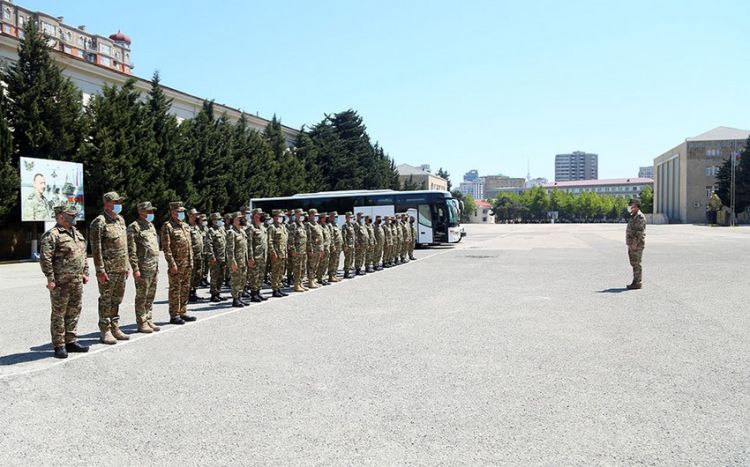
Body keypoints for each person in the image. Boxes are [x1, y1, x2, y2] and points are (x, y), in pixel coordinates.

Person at [40, 205, 89, 359]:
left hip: (76, 281)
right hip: (61, 283)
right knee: (59, 314)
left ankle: (71, 341)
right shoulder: (52, 235)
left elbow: (83, 254)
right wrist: (50, 278)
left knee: (74, 311)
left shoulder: (76, 233)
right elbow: (45, 259)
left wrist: (85, 272)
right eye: (71, 215)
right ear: (61, 216)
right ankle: (59, 345)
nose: (74, 217)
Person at [90, 191, 130, 345]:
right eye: (115, 202)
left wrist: (126, 266)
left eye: (119, 202)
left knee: (117, 300)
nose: (119, 205)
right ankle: (105, 330)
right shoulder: (99, 222)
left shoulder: (120, 220)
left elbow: (124, 245)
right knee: (106, 300)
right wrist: (100, 270)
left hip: (120, 269)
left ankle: (115, 326)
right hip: (108, 270)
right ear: (107, 203)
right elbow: (96, 249)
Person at [126, 201, 160, 333]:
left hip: (153, 267)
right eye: (149, 211)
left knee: (150, 295)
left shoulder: (151, 226)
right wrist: (135, 268)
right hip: (143, 268)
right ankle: (141, 322)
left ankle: (148, 319)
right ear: (141, 212)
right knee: (142, 296)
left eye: (152, 211)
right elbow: (132, 250)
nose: (152, 213)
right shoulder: (134, 227)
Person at [161, 201, 198, 323]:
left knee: (185, 288)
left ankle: (183, 311)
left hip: (187, 263)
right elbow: (166, 248)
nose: (181, 213)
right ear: (172, 212)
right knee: (175, 289)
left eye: (182, 211)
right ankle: (174, 314)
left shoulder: (185, 226)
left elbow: (189, 246)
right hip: (176, 264)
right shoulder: (168, 226)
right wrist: (172, 264)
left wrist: (191, 261)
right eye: (179, 211)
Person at [225, 211, 251, 307]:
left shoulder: (242, 231)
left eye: (241, 218)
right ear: (234, 220)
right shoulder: (231, 233)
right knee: (236, 280)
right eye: (238, 218)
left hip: (243, 261)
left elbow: (245, 248)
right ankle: (235, 299)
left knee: (242, 280)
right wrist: (232, 262)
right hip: (236, 261)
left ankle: (240, 297)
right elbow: (229, 250)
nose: (241, 219)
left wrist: (248, 259)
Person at [246, 208, 269, 302]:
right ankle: (253, 294)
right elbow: (249, 244)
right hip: (255, 256)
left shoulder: (263, 228)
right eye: (259, 214)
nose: (261, 216)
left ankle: (258, 292)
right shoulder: (251, 228)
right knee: (254, 276)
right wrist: (250, 258)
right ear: (255, 216)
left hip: (263, 256)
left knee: (260, 275)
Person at [206, 212, 229, 302]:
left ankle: (218, 292)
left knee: (221, 276)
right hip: (216, 258)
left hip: (223, 257)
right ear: (213, 221)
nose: (220, 221)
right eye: (217, 219)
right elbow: (209, 245)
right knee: (214, 276)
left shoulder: (222, 229)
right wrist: (212, 257)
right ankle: (213, 294)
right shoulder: (210, 231)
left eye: (220, 219)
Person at [626, 198, 646, 290]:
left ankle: (638, 282)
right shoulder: (633, 216)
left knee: (637, 263)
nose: (630, 207)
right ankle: (635, 281)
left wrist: (634, 244)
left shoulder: (640, 217)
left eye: (632, 205)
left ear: (637, 206)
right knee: (633, 263)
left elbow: (639, 232)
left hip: (637, 245)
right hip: (632, 244)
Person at [268, 209, 289, 297]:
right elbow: (270, 241)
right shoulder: (272, 227)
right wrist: (273, 253)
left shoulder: (282, 227)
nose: (281, 218)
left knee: (281, 272)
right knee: (275, 272)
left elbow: (285, 241)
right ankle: (274, 289)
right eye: (279, 216)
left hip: (283, 253)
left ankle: (279, 288)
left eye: (281, 217)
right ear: (274, 217)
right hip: (276, 254)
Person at [187, 208, 206, 303]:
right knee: (191, 275)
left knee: (198, 275)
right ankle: (189, 293)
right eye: (195, 215)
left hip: (200, 255)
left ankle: (194, 291)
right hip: (192, 256)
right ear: (190, 216)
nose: (197, 216)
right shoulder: (187, 228)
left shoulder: (198, 227)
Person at [289, 208, 308, 292]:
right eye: (300, 214)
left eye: (302, 215)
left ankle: (300, 283)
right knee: (297, 268)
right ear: (296, 215)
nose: (302, 216)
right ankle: (296, 285)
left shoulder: (302, 224)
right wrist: (293, 250)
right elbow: (291, 239)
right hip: (297, 251)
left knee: (303, 268)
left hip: (303, 250)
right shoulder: (294, 225)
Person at [305, 208, 324, 289]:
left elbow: (321, 237)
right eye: (314, 215)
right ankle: (310, 281)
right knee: (311, 265)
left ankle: (313, 279)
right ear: (310, 215)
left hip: (318, 248)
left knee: (316, 265)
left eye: (316, 215)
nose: (315, 217)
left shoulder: (317, 224)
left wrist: (322, 248)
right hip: (313, 249)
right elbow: (308, 238)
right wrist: (310, 249)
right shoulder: (308, 224)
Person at [327, 211, 342, 283]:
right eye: (335, 217)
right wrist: (332, 246)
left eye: (337, 217)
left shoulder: (336, 225)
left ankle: (334, 275)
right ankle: (331, 276)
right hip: (334, 246)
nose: (336, 218)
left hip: (338, 246)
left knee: (336, 261)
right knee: (332, 261)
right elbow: (331, 237)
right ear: (330, 217)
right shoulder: (330, 225)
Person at [317, 212, 331, 285]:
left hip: (327, 248)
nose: (327, 219)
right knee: (321, 264)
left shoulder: (326, 226)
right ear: (322, 218)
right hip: (323, 248)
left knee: (325, 264)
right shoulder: (319, 226)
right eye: (325, 217)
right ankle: (320, 278)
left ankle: (323, 277)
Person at [341, 212, 356, 278]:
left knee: (351, 258)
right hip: (348, 244)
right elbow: (344, 236)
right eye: (349, 217)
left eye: (351, 217)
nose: (351, 218)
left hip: (352, 244)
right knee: (348, 258)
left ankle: (349, 270)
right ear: (346, 217)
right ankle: (346, 273)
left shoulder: (351, 225)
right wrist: (345, 245)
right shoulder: (345, 225)